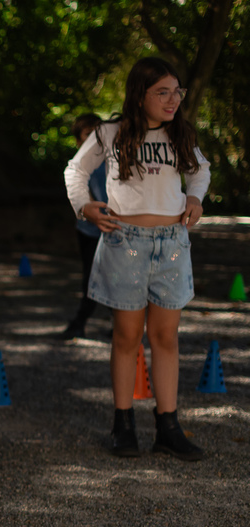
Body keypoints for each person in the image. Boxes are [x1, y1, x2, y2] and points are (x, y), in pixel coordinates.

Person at [65, 57, 209, 461]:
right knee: (127, 337)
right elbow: (75, 172)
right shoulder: (109, 133)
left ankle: (168, 427)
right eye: (162, 92)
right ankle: (123, 424)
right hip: (124, 241)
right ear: (139, 94)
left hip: (172, 243)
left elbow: (200, 171)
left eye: (177, 91)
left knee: (165, 337)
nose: (172, 99)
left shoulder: (180, 133)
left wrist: (195, 198)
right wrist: (85, 207)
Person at [61, 113, 107, 340]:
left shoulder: (112, 159)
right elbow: (81, 195)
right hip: (90, 231)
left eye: (97, 133)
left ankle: (122, 324)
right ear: (79, 139)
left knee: (118, 278)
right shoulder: (79, 164)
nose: (94, 139)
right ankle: (79, 323)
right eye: (88, 134)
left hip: (115, 230)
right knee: (91, 277)